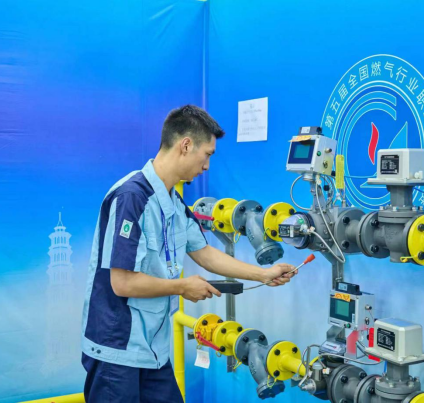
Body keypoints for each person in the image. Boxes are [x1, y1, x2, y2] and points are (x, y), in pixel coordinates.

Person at [81, 105, 297, 403]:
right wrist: (183, 286)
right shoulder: (131, 198)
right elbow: (122, 283)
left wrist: (263, 274)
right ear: (185, 145)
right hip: (117, 350)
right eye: (207, 154)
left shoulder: (173, 202)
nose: (207, 165)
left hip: (152, 350)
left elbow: (204, 252)